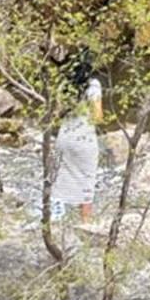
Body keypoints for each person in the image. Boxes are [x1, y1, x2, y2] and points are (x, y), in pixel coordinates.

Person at [49, 73, 103, 221]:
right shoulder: (93, 85)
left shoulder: (63, 84)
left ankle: (54, 224)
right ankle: (85, 223)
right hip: (84, 140)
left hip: (64, 139)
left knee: (58, 181)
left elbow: (56, 115)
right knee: (86, 181)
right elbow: (97, 116)